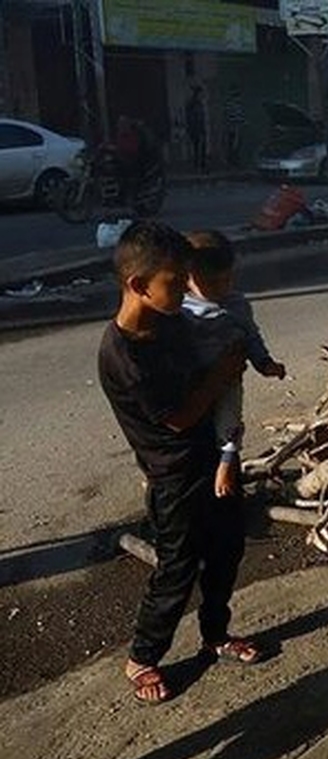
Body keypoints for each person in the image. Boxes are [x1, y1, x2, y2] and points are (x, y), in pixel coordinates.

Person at [97, 221, 261, 705]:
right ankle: (142, 658)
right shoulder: (124, 355)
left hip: (211, 458)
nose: (186, 288)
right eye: (175, 281)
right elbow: (179, 417)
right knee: (176, 570)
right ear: (137, 285)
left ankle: (215, 633)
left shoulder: (169, 318)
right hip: (173, 477)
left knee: (228, 550)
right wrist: (223, 373)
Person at [182, 230, 287, 497]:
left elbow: (251, 336)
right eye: (212, 282)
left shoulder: (236, 305)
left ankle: (227, 464)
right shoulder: (179, 308)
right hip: (190, 384)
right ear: (188, 278)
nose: (222, 288)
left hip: (227, 379)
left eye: (227, 279)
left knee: (229, 417)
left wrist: (264, 363)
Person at [185, 86, 207, 172]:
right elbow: (193, 119)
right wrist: (199, 130)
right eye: (201, 93)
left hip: (197, 129)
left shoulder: (196, 103)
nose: (202, 95)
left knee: (199, 148)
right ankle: (200, 166)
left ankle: (200, 166)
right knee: (199, 148)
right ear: (197, 94)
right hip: (196, 129)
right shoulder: (194, 104)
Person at [223, 83, 246, 167]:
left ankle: (233, 162)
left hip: (233, 127)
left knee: (234, 146)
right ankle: (233, 162)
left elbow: (227, 116)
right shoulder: (234, 104)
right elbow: (232, 117)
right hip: (234, 127)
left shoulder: (232, 104)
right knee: (234, 146)